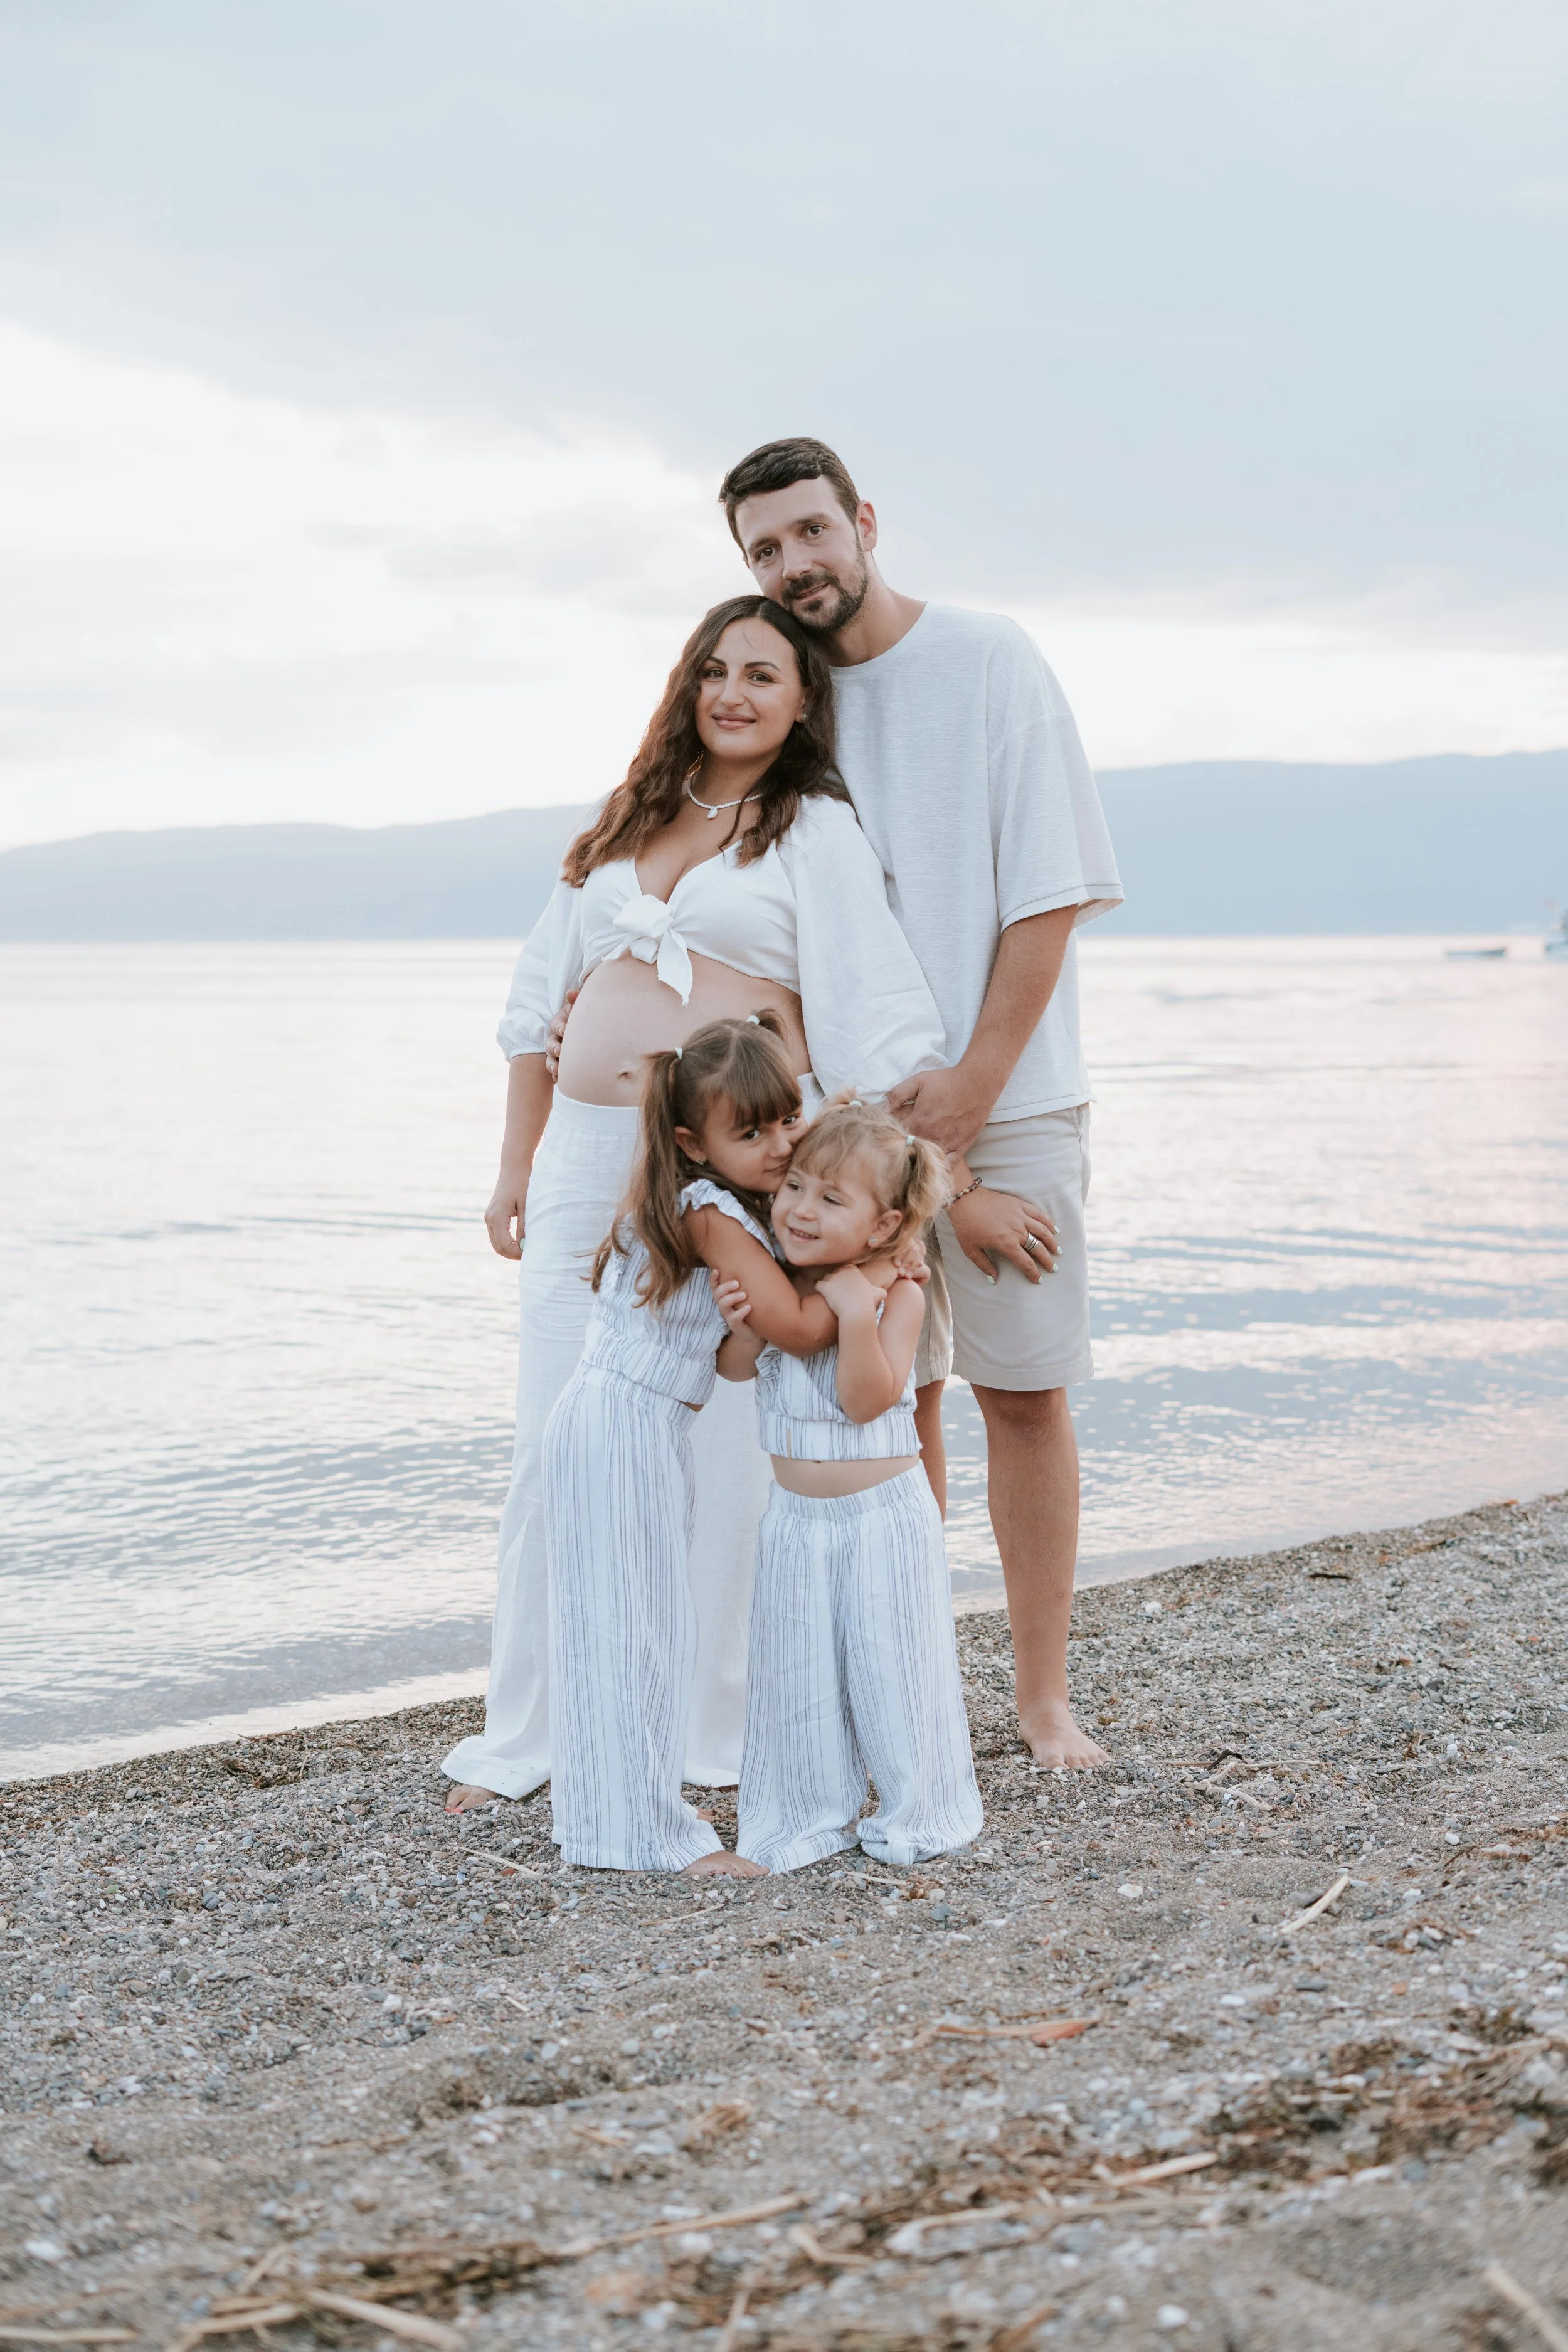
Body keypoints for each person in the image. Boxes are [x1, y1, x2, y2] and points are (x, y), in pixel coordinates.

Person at [443, 594, 946, 1810]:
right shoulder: (623, 823)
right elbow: (534, 1009)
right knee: (563, 1436)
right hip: (584, 1155)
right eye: (714, 670)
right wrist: (515, 1166)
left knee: (718, 1445)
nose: (733, 693)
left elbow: (864, 1011)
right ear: (687, 685)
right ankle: (538, 1732)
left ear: (799, 703)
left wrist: (856, 1198)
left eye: (763, 676)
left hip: (729, 1164)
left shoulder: (811, 831)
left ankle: (705, 1728)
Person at [719, 438, 1125, 1769]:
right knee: (893, 1397)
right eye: (766, 551)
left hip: (1002, 1095)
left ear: (863, 522)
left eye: (808, 533)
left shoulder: (988, 662)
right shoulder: (789, 706)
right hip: (844, 1130)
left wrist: (967, 1096)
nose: (795, 566)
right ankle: (916, 1687)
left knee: (1022, 1390)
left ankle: (1041, 1699)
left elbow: (1048, 890)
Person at [549, 1014, 861, 1875]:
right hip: (622, 1426)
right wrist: (868, 1277)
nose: (779, 1143)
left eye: (788, 1119)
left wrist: (741, 1331)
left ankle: (610, 1820)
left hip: (634, 1421)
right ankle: (648, 1839)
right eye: (750, 1130)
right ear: (693, 1141)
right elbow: (800, 1328)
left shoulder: (709, 1209)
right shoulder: (711, 1211)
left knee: (630, 1619)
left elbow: (729, 1363)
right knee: (632, 1627)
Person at [722, 1094, 984, 1873]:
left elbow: (868, 1399)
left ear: (880, 1227)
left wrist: (855, 1315)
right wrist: (740, 1326)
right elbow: (737, 1370)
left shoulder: (894, 1294)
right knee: (796, 1672)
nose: (800, 1208)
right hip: (796, 1519)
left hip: (882, 1515)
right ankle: (803, 1815)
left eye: (830, 1199)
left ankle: (918, 1809)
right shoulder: (776, 1283)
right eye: (795, 1186)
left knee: (893, 1664)